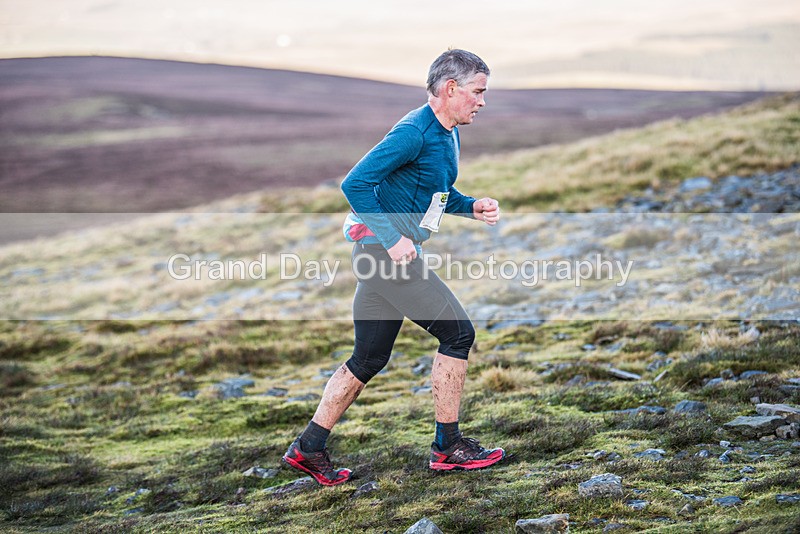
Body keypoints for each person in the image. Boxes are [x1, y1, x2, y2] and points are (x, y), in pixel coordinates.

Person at [282, 49, 504, 486]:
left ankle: (308, 448)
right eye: (478, 92)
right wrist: (394, 238)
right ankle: (448, 447)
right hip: (386, 259)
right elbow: (355, 184)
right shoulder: (413, 132)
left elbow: (432, 192)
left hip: (381, 257)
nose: (482, 102)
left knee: (368, 358)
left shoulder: (448, 131)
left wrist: (469, 206)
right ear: (450, 88)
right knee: (458, 334)